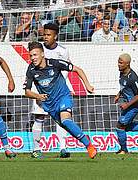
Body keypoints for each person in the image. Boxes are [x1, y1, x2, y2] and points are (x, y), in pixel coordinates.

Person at [24, 41, 97, 159]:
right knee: (66, 126)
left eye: (35, 55)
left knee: (66, 121)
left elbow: (78, 69)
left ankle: (89, 146)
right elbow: (27, 92)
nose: (33, 58)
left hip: (63, 97)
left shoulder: (55, 63)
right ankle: (84, 140)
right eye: (31, 55)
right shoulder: (31, 70)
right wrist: (37, 96)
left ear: (42, 54)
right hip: (49, 105)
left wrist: (87, 85)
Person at [30, 23, 74, 159]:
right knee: (39, 117)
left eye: (48, 35)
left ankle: (63, 148)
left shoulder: (63, 51)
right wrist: (36, 93)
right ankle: (36, 149)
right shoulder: (38, 49)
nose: (45, 37)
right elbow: (33, 69)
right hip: (41, 90)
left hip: (58, 91)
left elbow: (66, 69)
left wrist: (64, 88)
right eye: (44, 34)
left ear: (55, 36)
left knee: (61, 118)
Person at [114, 53, 138, 154]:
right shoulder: (122, 73)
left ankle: (124, 150)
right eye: (118, 62)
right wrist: (118, 94)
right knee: (124, 127)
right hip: (128, 105)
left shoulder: (133, 78)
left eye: (121, 63)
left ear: (127, 64)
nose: (118, 64)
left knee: (120, 126)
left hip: (134, 106)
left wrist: (127, 105)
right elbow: (124, 87)